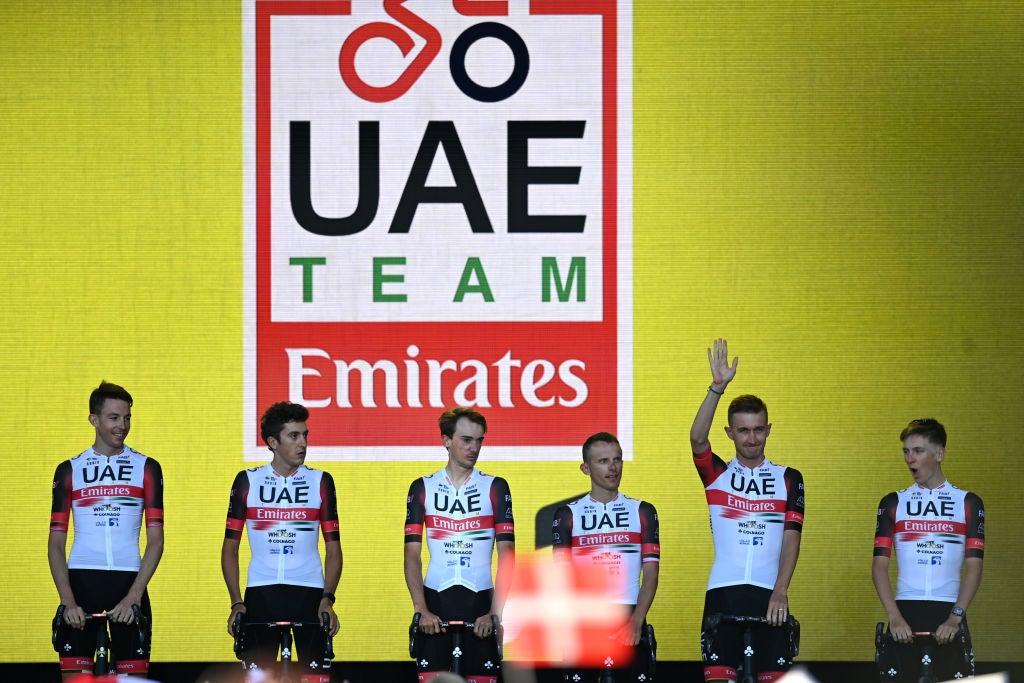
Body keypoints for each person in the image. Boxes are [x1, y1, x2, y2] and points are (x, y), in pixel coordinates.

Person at [690, 339, 804, 683]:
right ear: (730, 433)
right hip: (724, 592)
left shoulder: (788, 478)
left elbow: (791, 539)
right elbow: (697, 440)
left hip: (771, 593)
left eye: (758, 430)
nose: (752, 439)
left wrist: (781, 589)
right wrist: (716, 388)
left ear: (768, 429)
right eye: (743, 431)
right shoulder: (718, 476)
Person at [48, 381, 164, 679]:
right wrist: (67, 600)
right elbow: (55, 544)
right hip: (81, 583)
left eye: (127, 418)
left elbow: (156, 541)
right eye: (114, 417)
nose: (122, 425)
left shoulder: (147, 467)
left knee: (132, 678)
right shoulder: (69, 470)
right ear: (94, 419)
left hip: (129, 583)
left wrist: (135, 596)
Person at [222, 401, 341, 683]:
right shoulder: (247, 480)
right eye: (294, 436)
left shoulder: (321, 481)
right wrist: (236, 602)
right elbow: (230, 549)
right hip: (260, 594)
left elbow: (334, 549)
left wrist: (328, 598)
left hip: (310, 594)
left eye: (305, 435)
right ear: (273, 442)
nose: (303, 443)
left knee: (316, 679)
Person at [404, 407, 515, 683]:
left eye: (479, 440)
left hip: (481, 603)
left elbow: (507, 556)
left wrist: (494, 612)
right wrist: (421, 608)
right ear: (446, 441)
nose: (474, 447)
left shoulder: (495, 486)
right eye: (466, 440)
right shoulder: (422, 487)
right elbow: (412, 554)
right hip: (435, 601)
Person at [872, 418, 984, 681]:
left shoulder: (968, 502)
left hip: (949, 613)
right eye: (906, 451)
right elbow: (879, 566)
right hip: (905, 614)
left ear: (939, 454)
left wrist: (956, 616)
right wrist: (894, 617)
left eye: (918, 451)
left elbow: (975, 566)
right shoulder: (893, 502)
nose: (910, 459)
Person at [551, 431, 660, 681]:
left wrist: (636, 621)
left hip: (630, 618)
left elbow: (651, 574)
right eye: (603, 461)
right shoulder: (567, 514)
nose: (613, 467)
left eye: (617, 459)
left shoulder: (642, 511)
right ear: (585, 468)